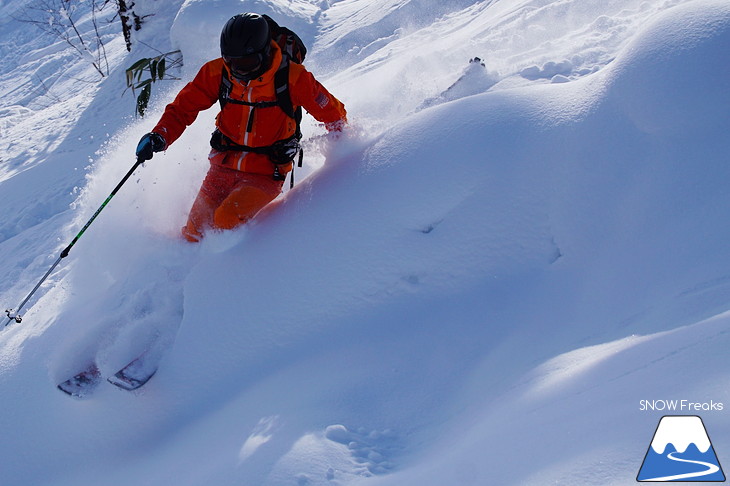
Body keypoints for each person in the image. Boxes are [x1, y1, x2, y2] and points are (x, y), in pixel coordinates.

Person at [136, 12, 347, 242]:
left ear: (265, 53)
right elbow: (182, 108)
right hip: (223, 164)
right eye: (232, 62)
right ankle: (191, 273)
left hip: (266, 172)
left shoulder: (292, 78)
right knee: (194, 232)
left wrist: (343, 149)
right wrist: (160, 135)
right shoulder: (217, 73)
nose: (239, 71)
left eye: (247, 63)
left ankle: (239, 271)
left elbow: (333, 114)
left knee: (225, 220)